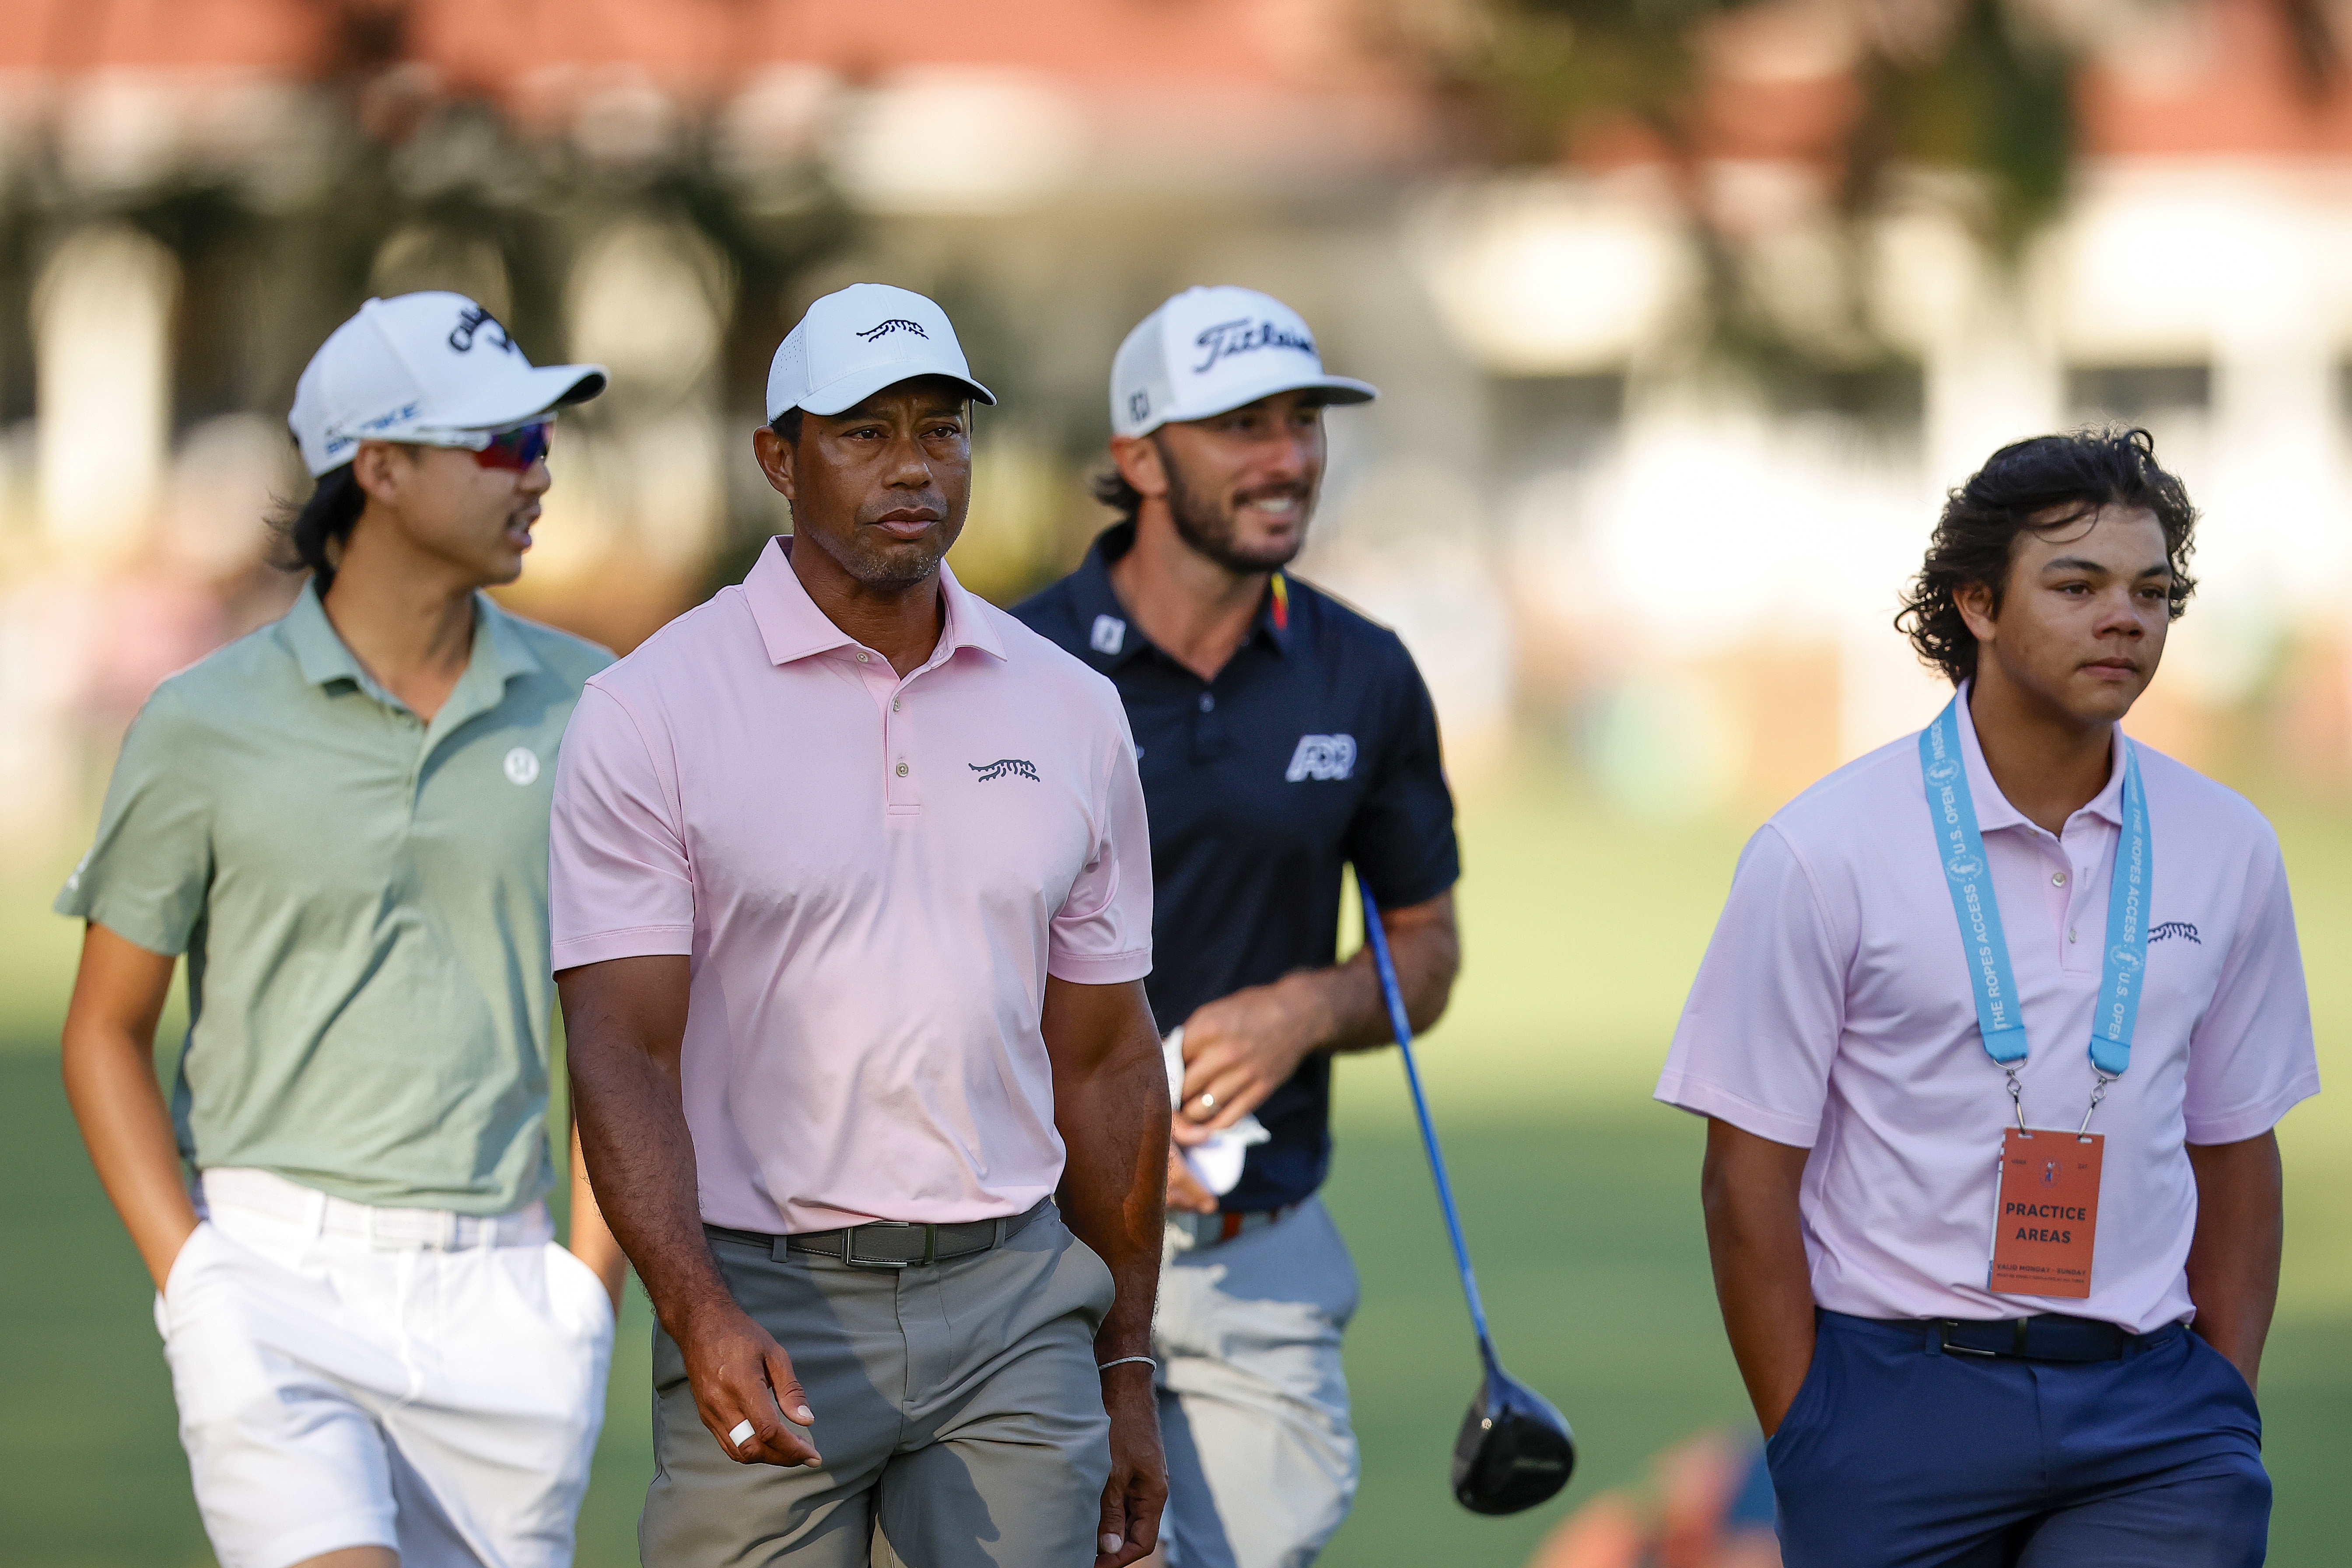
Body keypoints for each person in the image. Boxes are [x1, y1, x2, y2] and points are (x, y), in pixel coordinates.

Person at [550, 282, 1170, 1568]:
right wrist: (695, 1308)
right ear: (778, 457)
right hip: (769, 1296)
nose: (914, 469)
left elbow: (1108, 1055)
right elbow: (621, 1050)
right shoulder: (650, 711)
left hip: (1015, 1299)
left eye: (942, 432)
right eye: (864, 432)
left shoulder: (1071, 709)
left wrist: (1126, 1362)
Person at [1660, 427, 2317, 1567]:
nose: (2127, 617)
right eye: (2078, 585)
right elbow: (1745, 1178)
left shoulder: (2231, 845)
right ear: (1977, 603)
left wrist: (2226, 1392)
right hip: (1893, 1401)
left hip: (2156, 1407)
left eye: (2153, 591)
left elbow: (2238, 1145)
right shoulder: (1824, 848)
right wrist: (1808, 1430)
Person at [57, 290, 626, 1568]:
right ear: (378, 468)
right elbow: (104, 1031)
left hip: (507, 1298)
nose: (539, 473)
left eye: (541, 440)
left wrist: (586, 1288)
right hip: (272, 1284)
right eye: (502, 445)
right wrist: (196, 1283)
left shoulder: (597, 705)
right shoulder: (201, 722)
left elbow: (624, 1025)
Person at [1015, 285, 1463, 1568]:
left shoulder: (1363, 670)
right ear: (1139, 458)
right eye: (1242, 428)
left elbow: (1425, 950)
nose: (1289, 459)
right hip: (1035, 1252)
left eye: (1304, 423)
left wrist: (1305, 1011)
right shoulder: (1014, 662)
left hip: (1254, 1247)